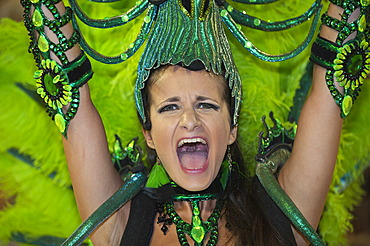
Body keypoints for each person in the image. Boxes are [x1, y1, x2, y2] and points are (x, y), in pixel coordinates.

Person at [19, 0, 369, 245]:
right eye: (170, 108)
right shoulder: (122, 223)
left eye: (206, 105)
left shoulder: (281, 213)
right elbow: (70, 95)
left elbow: (332, 82)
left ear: (231, 127)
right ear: (149, 134)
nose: (189, 120)